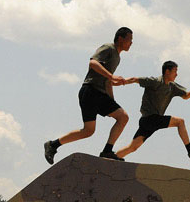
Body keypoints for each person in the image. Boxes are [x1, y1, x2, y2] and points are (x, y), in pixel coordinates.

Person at [44, 27, 134, 164]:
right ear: (120, 38)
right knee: (88, 131)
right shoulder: (108, 48)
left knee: (122, 117)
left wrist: (113, 101)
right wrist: (111, 76)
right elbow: (93, 63)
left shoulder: (118, 57)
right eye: (129, 39)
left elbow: (107, 81)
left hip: (101, 93)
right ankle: (53, 145)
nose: (131, 43)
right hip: (90, 91)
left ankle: (107, 151)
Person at [115, 61, 190, 161]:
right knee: (180, 122)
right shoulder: (155, 82)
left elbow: (185, 96)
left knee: (132, 147)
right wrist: (120, 82)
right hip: (150, 119)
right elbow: (135, 79)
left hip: (150, 121)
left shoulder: (172, 86)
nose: (177, 74)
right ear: (167, 71)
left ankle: (111, 157)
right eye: (175, 71)